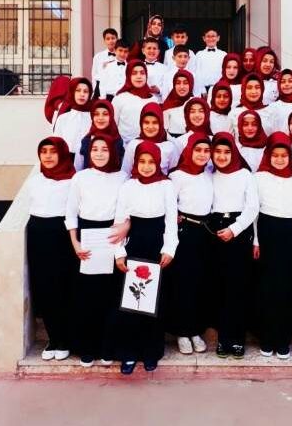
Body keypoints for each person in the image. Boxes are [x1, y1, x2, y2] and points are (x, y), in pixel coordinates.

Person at [114, 141, 178, 374]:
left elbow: (171, 219)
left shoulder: (166, 186)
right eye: (142, 161)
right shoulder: (128, 186)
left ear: (158, 163)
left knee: (154, 301)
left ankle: (151, 351)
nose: (147, 166)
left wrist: (169, 248)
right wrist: (119, 252)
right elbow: (120, 219)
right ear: (136, 162)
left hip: (156, 245)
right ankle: (129, 353)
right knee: (132, 301)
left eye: (151, 162)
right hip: (135, 243)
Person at [65, 135, 128, 367]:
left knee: (111, 295)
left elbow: (128, 209)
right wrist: (75, 243)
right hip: (87, 238)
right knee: (87, 296)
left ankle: (108, 348)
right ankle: (87, 348)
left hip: (112, 236)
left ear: (113, 152)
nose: (99, 153)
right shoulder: (80, 178)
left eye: (104, 149)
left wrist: (125, 227)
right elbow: (71, 212)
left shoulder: (122, 177)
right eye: (95, 149)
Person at [254, 132, 292, 360]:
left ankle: (283, 340)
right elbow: (255, 212)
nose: (279, 159)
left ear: (290, 156)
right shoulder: (260, 177)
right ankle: (267, 339)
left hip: (290, 235)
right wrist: (256, 240)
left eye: (283, 155)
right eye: (275, 155)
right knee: (266, 288)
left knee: (286, 289)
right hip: (267, 232)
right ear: (268, 155)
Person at [26, 137, 77, 361]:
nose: (47, 156)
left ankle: (65, 339)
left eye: (52, 151)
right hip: (38, 236)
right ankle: (53, 338)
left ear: (62, 154)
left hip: (62, 236)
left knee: (63, 286)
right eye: (43, 151)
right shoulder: (35, 181)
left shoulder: (73, 181)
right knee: (44, 287)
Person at [210, 132, 258, 359]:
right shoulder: (210, 175)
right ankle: (223, 338)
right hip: (215, 231)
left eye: (227, 152)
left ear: (234, 153)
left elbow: (252, 207)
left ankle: (237, 339)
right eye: (217, 152)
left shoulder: (245, 175)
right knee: (219, 286)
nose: (222, 156)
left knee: (238, 287)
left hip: (238, 231)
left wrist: (234, 229)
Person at [168, 133, 213, 355]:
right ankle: (182, 331)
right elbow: (169, 206)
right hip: (184, 232)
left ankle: (195, 330)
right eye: (198, 150)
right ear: (189, 151)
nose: (202, 154)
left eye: (206, 151)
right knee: (183, 283)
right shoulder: (176, 176)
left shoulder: (209, 175)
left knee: (199, 282)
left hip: (204, 233)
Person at [121, 102, 178, 175]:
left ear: (161, 123)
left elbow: (173, 174)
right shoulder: (133, 145)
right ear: (141, 123)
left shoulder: (170, 146)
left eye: (155, 122)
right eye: (146, 122)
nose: (150, 127)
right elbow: (125, 172)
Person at [112, 60, 157, 145]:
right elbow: (113, 125)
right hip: (124, 146)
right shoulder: (119, 98)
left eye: (142, 73)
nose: (139, 76)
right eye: (134, 73)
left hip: (148, 146)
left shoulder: (153, 99)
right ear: (128, 76)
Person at [53, 77, 93, 170]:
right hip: (67, 161)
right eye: (78, 90)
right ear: (72, 92)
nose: (82, 94)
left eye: (85, 91)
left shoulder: (93, 118)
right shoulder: (63, 118)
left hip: (87, 162)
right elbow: (57, 143)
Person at [79, 99, 124, 170]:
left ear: (111, 116)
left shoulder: (117, 140)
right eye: (96, 114)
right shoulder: (87, 140)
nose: (100, 118)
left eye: (105, 114)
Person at [162, 70, 195, 139]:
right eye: (178, 83)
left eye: (185, 83)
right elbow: (164, 130)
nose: (181, 87)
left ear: (191, 84)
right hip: (173, 141)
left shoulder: (195, 103)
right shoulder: (168, 104)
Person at [194, 28, 227, 94]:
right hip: (203, 89)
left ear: (218, 38)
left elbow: (225, 73)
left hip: (219, 88)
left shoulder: (223, 54)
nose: (211, 39)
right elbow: (197, 73)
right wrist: (202, 89)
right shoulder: (199, 54)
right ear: (204, 38)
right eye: (208, 36)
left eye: (213, 36)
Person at [270, 69, 292, 133]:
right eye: (283, 82)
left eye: (290, 81)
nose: (287, 84)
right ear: (279, 84)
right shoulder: (273, 107)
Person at [91, 28, 118, 98]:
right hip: (100, 89)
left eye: (113, 38)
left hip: (116, 90)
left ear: (117, 39)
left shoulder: (122, 56)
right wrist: (95, 91)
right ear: (104, 41)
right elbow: (94, 75)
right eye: (108, 39)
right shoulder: (98, 57)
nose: (111, 41)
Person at [141, 37, 165, 102]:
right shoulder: (138, 67)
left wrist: (159, 90)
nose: (152, 51)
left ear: (158, 51)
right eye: (149, 48)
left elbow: (168, 88)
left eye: (154, 48)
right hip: (141, 101)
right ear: (143, 51)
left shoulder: (164, 68)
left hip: (158, 102)